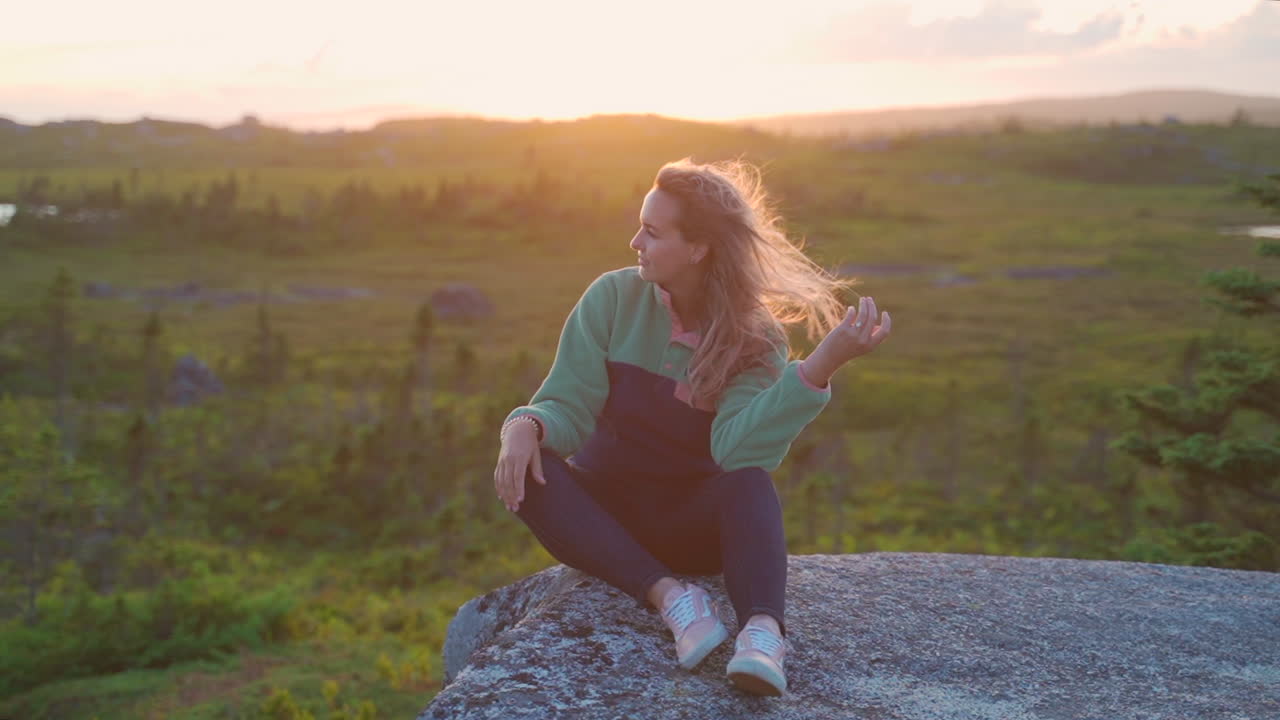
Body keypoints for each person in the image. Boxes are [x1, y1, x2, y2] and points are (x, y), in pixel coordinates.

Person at [493, 156, 891, 696]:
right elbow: (568, 404)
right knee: (532, 473)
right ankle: (673, 600)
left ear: (698, 248)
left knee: (749, 483)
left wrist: (819, 367)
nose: (636, 242)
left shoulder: (757, 339)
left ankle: (762, 636)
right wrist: (526, 424)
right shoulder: (613, 298)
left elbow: (736, 451)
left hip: (692, 527)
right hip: (607, 519)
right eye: (641, 226)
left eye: (653, 233)